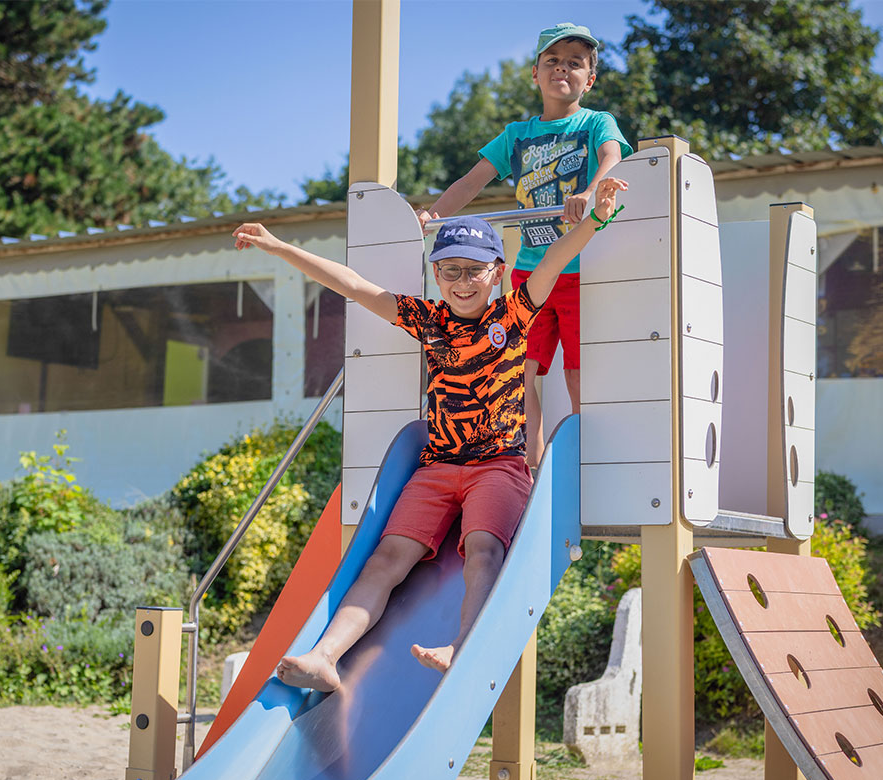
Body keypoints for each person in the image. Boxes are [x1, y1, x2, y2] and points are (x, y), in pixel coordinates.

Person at [232, 177, 629, 692]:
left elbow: (555, 258)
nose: (462, 282)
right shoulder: (429, 319)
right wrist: (278, 245)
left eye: (474, 270)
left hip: (499, 467)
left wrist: (596, 218)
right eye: (449, 271)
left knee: (484, 548)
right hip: (436, 467)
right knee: (386, 558)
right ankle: (326, 656)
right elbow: (352, 285)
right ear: (436, 274)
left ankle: (463, 647)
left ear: (498, 272)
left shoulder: (515, 311)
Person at [418, 22, 632, 471]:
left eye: (575, 63)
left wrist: (590, 193)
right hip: (531, 276)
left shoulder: (595, 123)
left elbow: (613, 157)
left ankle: (584, 465)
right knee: (519, 371)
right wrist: (433, 216)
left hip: (579, 271)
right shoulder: (517, 135)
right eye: (553, 61)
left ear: (589, 80)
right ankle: (527, 467)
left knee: (578, 372)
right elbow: (471, 181)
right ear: (535, 73)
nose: (563, 69)